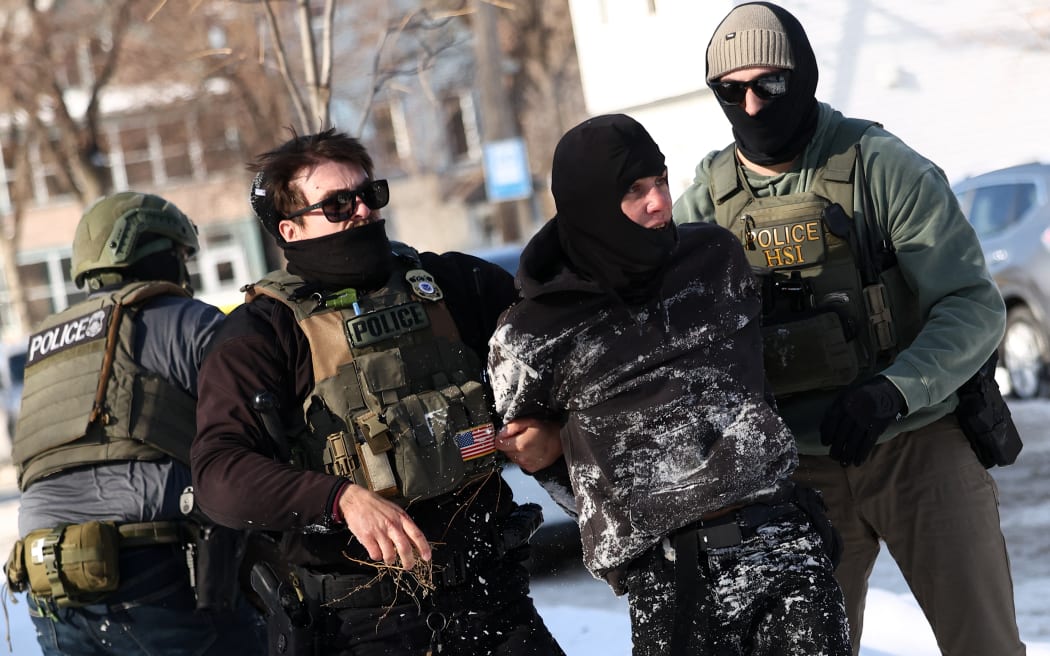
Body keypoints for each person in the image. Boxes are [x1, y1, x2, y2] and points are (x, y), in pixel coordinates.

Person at [672, 3, 1026, 655]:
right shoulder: (706, 204)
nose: (751, 106)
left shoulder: (881, 167)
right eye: (730, 90)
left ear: (803, 77)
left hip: (917, 442)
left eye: (769, 84)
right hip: (794, 470)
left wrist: (895, 390)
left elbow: (972, 304)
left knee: (984, 641)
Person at [189, 128, 564, 656]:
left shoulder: (450, 284)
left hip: (491, 596)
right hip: (363, 619)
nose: (363, 210)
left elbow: (563, 341)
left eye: (370, 194)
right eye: (338, 204)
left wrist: (550, 428)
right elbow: (218, 475)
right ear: (290, 229)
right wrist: (337, 499)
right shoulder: (263, 334)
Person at [487, 113, 850, 656]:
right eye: (634, 191)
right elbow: (537, 454)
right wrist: (560, 450)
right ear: (589, 203)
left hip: (780, 541)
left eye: (659, 180)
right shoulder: (531, 335)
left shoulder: (715, 260)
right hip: (670, 575)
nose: (659, 202)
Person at [3, 192, 264, 655]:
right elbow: (261, 424)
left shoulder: (46, 344)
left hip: (46, 581)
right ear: (156, 252)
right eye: (180, 254)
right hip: (148, 571)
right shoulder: (190, 321)